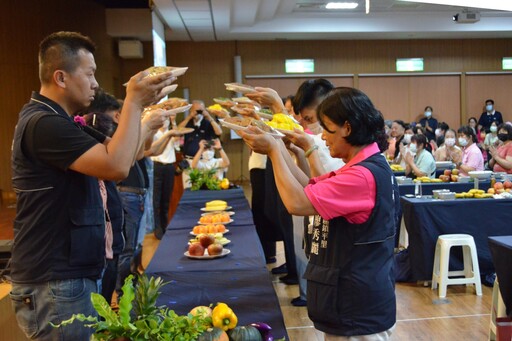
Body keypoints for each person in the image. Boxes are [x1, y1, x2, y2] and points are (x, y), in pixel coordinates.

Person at [9, 31, 175, 340]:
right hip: (55, 278)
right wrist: (135, 102)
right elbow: (117, 167)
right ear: (61, 77)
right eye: (90, 74)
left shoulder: (62, 120)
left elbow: (122, 151)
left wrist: (145, 120)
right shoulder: (44, 123)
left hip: (68, 274)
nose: (96, 83)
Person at [240, 87, 397, 340]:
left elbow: (297, 203)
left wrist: (273, 150)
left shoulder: (361, 176)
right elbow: (314, 187)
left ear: (347, 128)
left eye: (327, 128)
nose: (322, 137)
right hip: (354, 299)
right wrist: (294, 149)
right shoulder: (365, 167)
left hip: (357, 306)